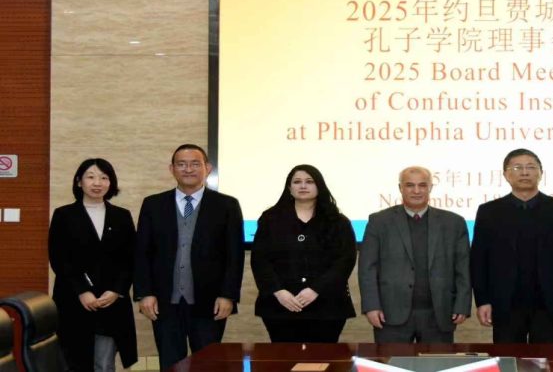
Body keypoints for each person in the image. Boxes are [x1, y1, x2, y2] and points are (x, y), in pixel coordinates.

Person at [134, 144, 244, 371]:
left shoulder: (227, 205)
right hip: (164, 302)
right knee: (170, 364)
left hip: (210, 302)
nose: (188, 169)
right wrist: (144, 293)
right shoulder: (153, 204)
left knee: (208, 365)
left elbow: (234, 255)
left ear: (207, 168)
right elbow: (142, 252)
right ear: (172, 169)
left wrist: (228, 295)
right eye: (182, 164)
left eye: (195, 164)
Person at [470, 148, 553, 343]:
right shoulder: (489, 211)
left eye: (531, 167)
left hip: (549, 302)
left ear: (541, 173)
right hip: (505, 303)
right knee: (508, 357)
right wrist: (483, 301)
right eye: (517, 168)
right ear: (506, 175)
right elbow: (478, 261)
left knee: (547, 358)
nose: (524, 172)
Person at [358, 166, 471, 342]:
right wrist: (371, 306)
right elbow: (367, 268)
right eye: (410, 185)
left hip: (439, 314)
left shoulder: (454, 223)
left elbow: (463, 268)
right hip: (390, 314)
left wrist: (462, 304)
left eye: (422, 185)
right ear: (400, 188)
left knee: (438, 361)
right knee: (391, 361)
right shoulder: (379, 221)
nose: (416, 191)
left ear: (430, 188)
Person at [49, 158, 137, 372]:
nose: (97, 183)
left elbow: (130, 258)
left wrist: (116, 291)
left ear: (111, 183)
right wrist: (82, 291)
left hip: (110, 302)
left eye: (104, 178)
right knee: (74, 362)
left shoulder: (122, 216)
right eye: (91, 177)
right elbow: (59, 258)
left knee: (104, 363)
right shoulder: (64, 215)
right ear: (79, 182)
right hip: (74, 300)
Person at [251, 164, 357, 342]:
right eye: (297, 182)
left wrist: (316, 289)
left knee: (323, 357)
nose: (303, 186)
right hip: (281, 305)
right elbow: (260, 260)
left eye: (309, 181)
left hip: (327, 306)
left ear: (319, 186)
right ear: (289, 187)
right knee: (284, 356)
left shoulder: (338, 221)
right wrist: (278, 291)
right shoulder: (270, 219)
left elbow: (345, 261)